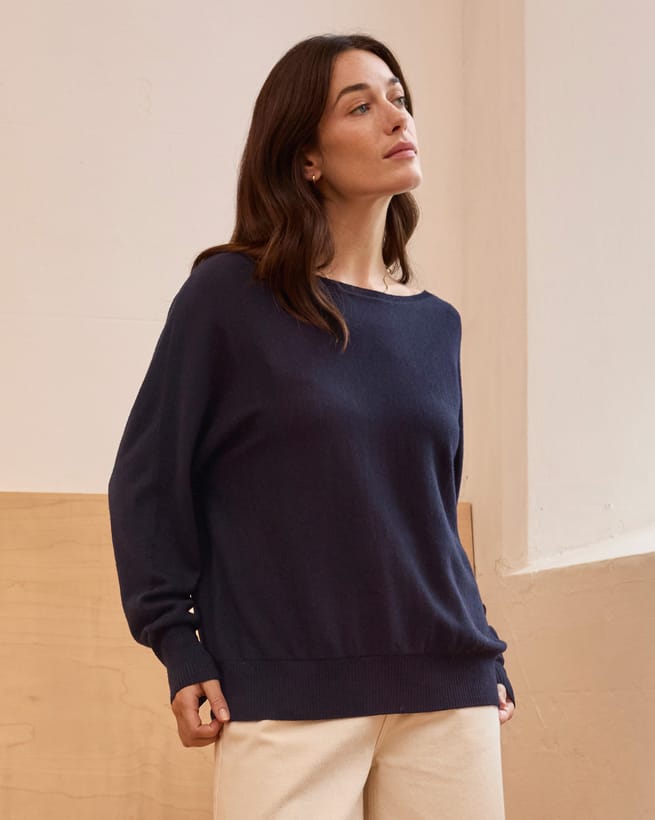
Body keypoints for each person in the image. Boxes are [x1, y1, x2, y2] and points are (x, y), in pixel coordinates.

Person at [108, 32, 516, 820]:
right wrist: (176, 641)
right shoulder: (229, 298)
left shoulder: (436, 326)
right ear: (305, 158)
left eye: (398, 97)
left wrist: (484, 647)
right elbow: (149, 481)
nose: (395, 116)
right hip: (284, 692)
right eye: (359, 106)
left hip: (447, 686)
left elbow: (427, 514)